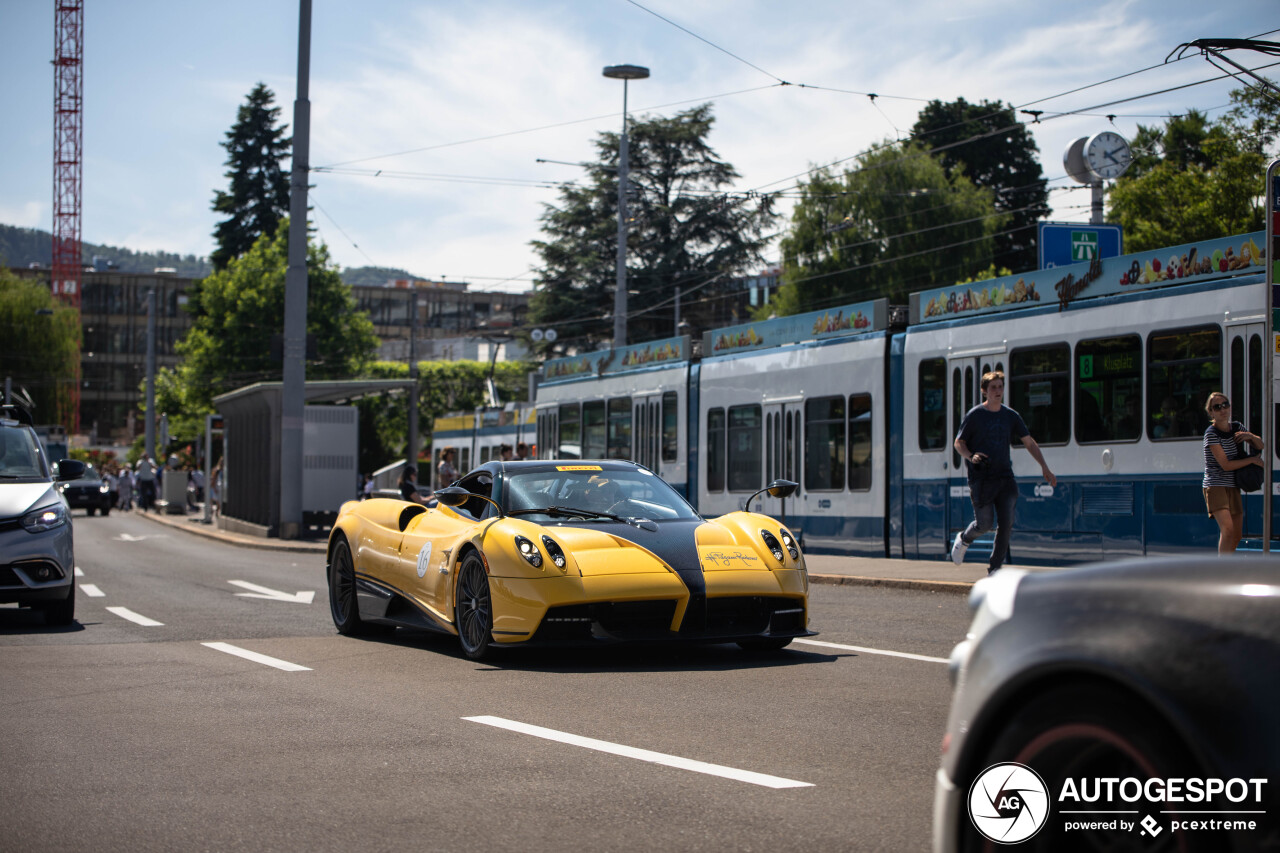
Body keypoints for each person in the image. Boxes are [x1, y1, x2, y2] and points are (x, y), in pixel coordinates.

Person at [950, 370, 1057, 574]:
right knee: (985, 523)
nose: (998, 391)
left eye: (1000, 387)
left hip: (1005, 478)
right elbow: (958, 443)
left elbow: (1029, 442)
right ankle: (964, 539)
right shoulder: (975, 416)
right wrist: (971, 455)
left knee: (1006, 523)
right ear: (984, 391)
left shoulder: (1010, 416)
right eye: (993, 388)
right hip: (981, 479)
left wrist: (1044, 466)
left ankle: (995, 569)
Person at [1201, 392, 1265, 553]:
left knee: (1236, 535)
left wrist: (1249, 436)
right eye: (1217, 407)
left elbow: (1260, 446)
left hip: (1233, 485)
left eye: (1225, 405)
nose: (1223, 409)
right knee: (1228, 530)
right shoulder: (1211, 433)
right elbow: (1226, 465)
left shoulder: (1237, 427)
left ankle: (1229, 568)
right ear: (1211, 412)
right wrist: (1252, 460)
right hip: (1215, 485)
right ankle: (1222, 573)